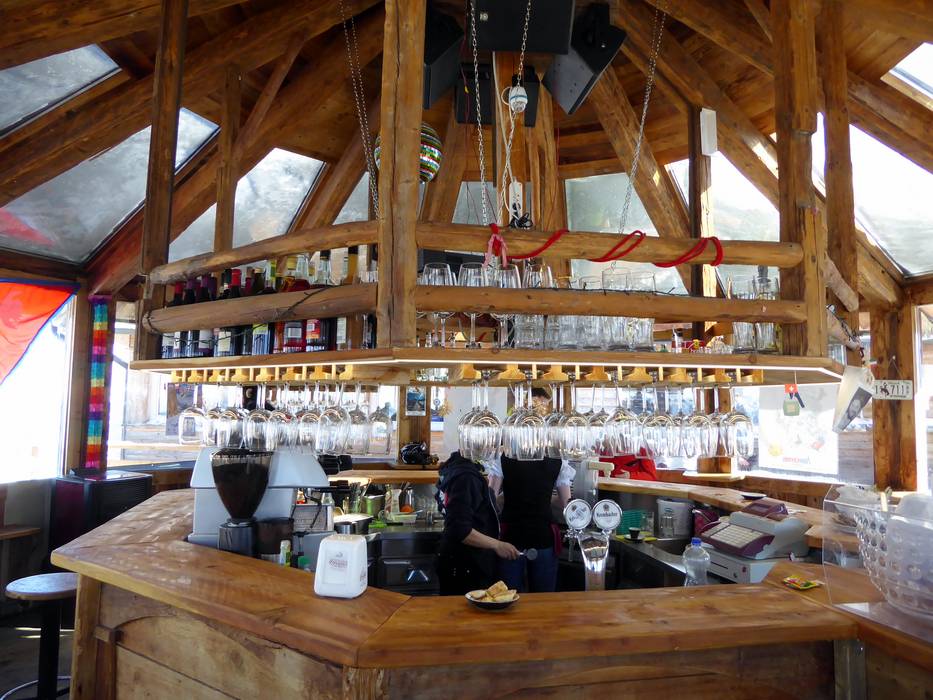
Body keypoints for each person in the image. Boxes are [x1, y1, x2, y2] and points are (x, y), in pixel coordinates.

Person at [436, 452, 519, 595]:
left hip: (457, 561)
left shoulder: (455, 468)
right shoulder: (467, 477)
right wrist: (497, 545)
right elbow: (460, 530)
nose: (496, 448)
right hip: (465, 565)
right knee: (468, 608)